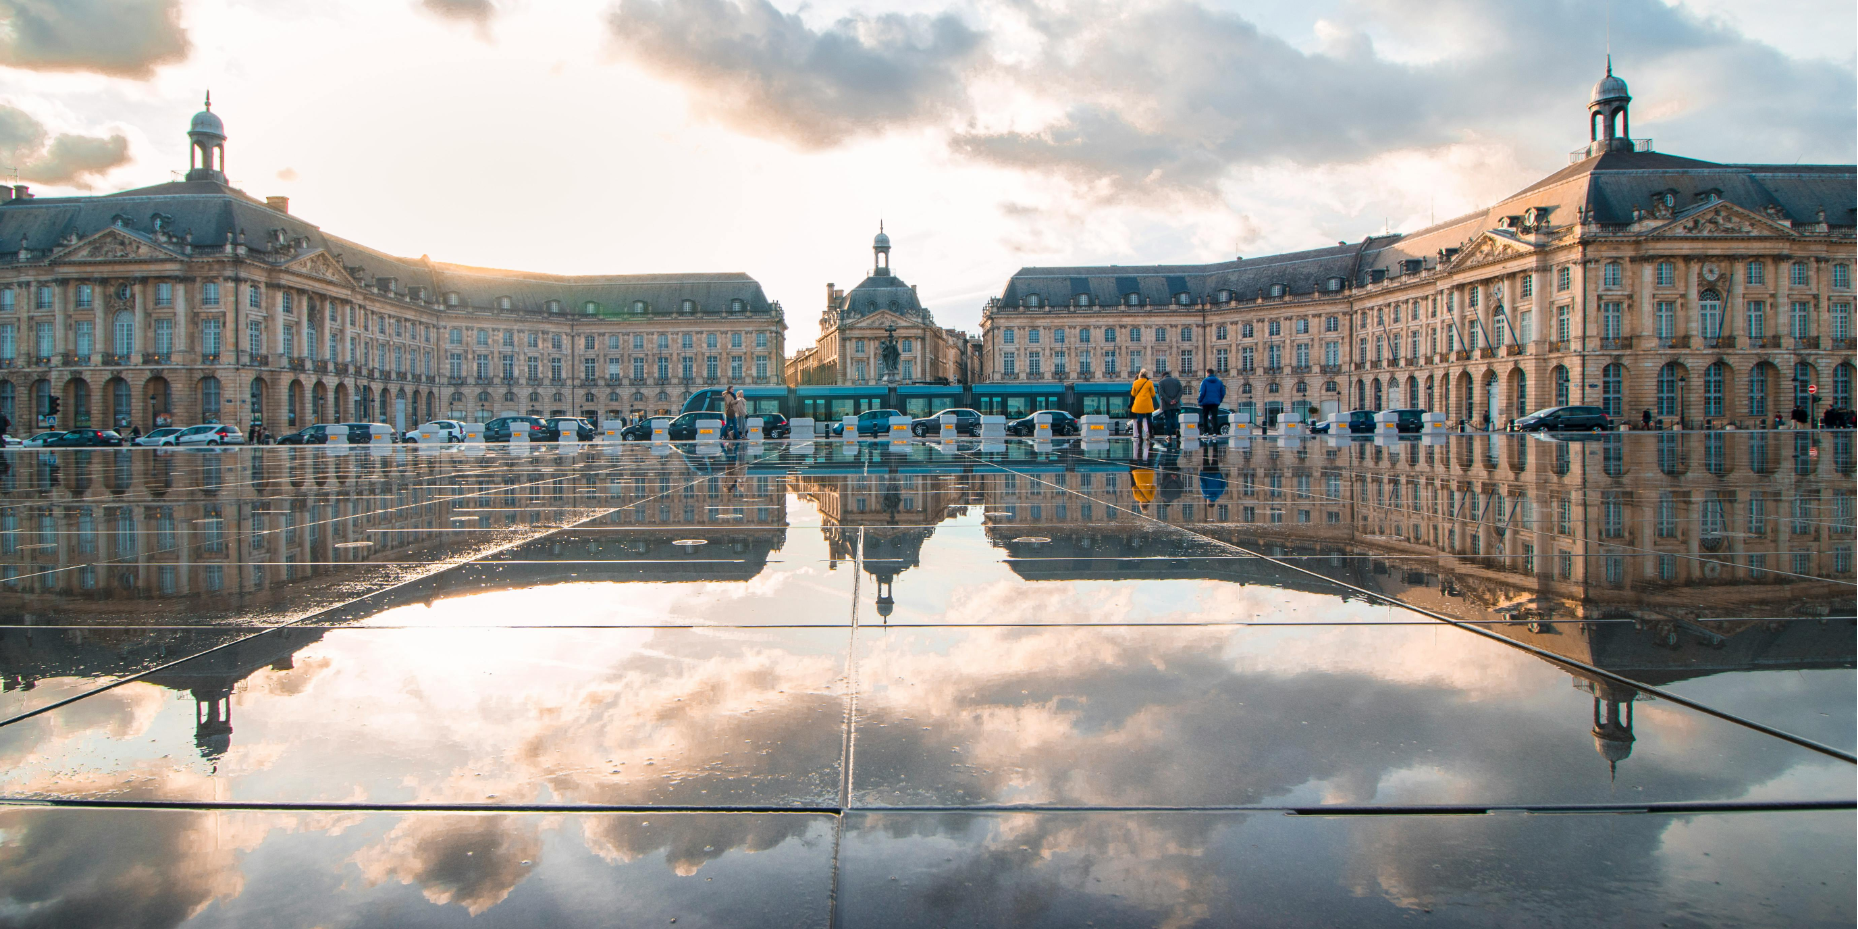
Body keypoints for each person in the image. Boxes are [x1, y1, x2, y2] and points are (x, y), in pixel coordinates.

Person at [1130, 369, 1156, 447]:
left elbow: (1133, 393)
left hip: (1139, 403)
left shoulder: (1135, 382)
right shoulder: (1149, 383)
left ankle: (1140, 435)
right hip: (1147, 403)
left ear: (1140, 375)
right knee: (1149, 418)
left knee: (1139, 419)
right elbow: (1153, 394)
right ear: (1146, 375)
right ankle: (1150, 434)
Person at [1197, 368, 1225, 438]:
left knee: (1205, 417)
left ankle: (1206, 432)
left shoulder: (1204, 381)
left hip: (1206, 402)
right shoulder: (1219, 382)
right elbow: (1223, 392)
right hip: (1215, 402)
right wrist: (1219, 400)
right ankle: (1215, 432)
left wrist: (1200, 400)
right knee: (1215, 417)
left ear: (1207, 373)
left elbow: (1202, 392)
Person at [1157, 369, 1184, 441]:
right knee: (1174, 417)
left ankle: (1169, 434)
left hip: (1166, 404)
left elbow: (1161, 394)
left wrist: (1169, 401)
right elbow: (1181, 391)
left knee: (1168, 419)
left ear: (1163, 376)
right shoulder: (1177, 381)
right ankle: (1177, 429)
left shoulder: (1161, 382)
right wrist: (1176, 400)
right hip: (1175, 404)